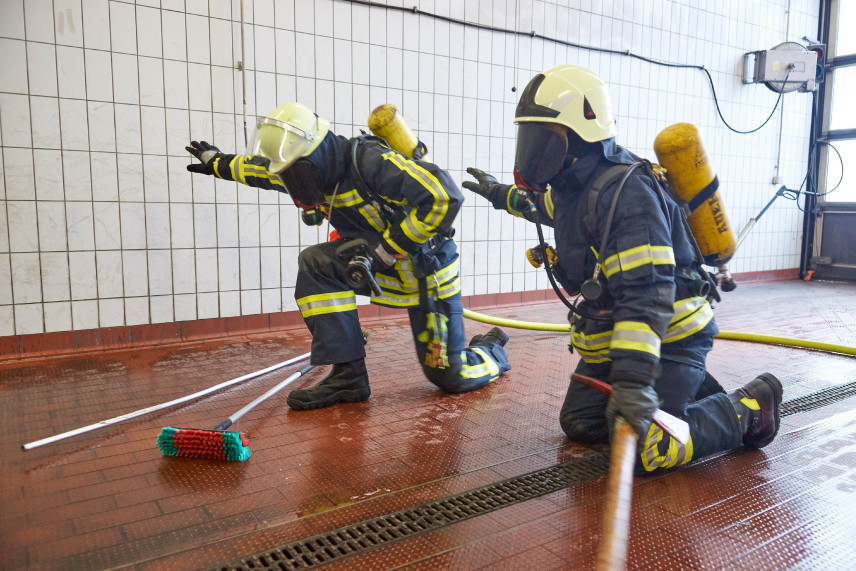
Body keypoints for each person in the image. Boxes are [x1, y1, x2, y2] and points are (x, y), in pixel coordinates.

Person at [463, 65, 781, 473]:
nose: (532, 150)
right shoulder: (575, 186)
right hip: (623, 340)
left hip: (670, 336)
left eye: (542, 136)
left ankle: (749, 408)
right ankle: (684, 389)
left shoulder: (627, 194)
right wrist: (498, 193)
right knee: (580, 422)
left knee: (646, 450)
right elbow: (544, 208)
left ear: (580, 133)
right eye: (529, 136)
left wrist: (633, 382)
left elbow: (646, 297)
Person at [186, 102, 511, 410]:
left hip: (427, 273)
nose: (294, 184)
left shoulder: (369, 161)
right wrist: (217, 162)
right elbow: (260, 170)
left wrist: (388, 249)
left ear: (316, 154)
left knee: (449, 377)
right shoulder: (307, 172)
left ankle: (491, 348)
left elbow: (444, 196)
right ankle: (348, 378)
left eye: (295, 173)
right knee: (315, 264)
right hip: (374, 267)